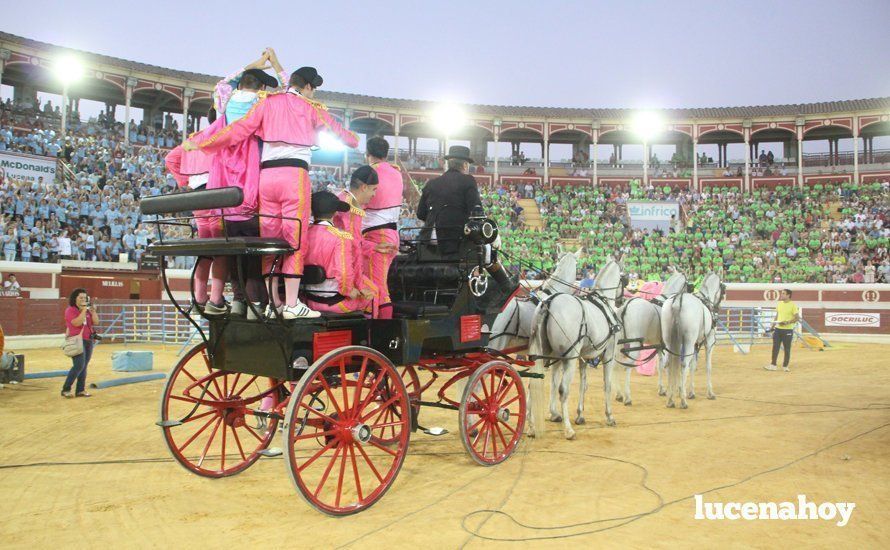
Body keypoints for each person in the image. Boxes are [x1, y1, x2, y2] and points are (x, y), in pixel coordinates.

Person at [187, 66, 359, 319]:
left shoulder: (266, 103)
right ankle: (290, 304)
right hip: (293, 176)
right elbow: (348, 138)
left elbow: (238, 129)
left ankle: (274, 303)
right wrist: (352, 137)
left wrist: (202, 142)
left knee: (269, 240)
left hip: (266, 178)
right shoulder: (311, 108)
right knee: (294, 239)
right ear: (309, 87)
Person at [303, 191, 373, 314]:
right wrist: (348, 290)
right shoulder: (341, 237)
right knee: (372, 295)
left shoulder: (303, 234)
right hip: (334, 302)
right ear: (335, 213)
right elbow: (343, 270)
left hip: (308, 300)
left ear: (312, 212)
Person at [417, 145, 483, 255]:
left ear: (449, 164)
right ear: (465, 165)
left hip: (428, 241)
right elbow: (477, 213)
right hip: (455, 241)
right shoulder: (468, 180)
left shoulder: (431, 184)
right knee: (488, 253)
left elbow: (420, 214)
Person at [363, 137, 403, 319]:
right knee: (379, 284)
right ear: (386, 154)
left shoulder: (369, 173)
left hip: (376, 235)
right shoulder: (396, 172)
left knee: (377, 287)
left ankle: (379, 335)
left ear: (368, 154)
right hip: (391, 233)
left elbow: (358, 202)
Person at [333, 165, 379, 311]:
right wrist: (357, 285)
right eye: (374, 189)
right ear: (364, 187)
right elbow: (352, 249)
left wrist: (374, 246)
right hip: (337, 274)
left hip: (327, 267)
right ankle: (371, 333)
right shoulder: (352, 208)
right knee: (374, 292)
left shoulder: (341, 197)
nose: (374, 195)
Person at [62, 288, 99, 398]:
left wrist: (93, 312)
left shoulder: (88, 310)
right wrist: (83, 310)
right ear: (75, 298)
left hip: (88, 340)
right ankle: (66, 389)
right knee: (79, 365)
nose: (83, 299)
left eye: (85, 298)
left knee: (84, 366)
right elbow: (76, 323)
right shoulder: (70, 310)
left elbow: (96, 322)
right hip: (77, 341)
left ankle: (80, 390)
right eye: (81, 297)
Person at [764, 289, 799, 372]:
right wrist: (772, 327)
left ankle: (785, 366)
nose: (781, 295)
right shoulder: (779, 304)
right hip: (778, 329)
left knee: (787, 349)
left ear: (788, 295)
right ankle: (773, 365)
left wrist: (787, 322)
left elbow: (797, 318)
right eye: (781, 293)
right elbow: (777, 315)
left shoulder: (793, 305)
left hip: (788, 330)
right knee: (775, 348)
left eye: (783, 294)